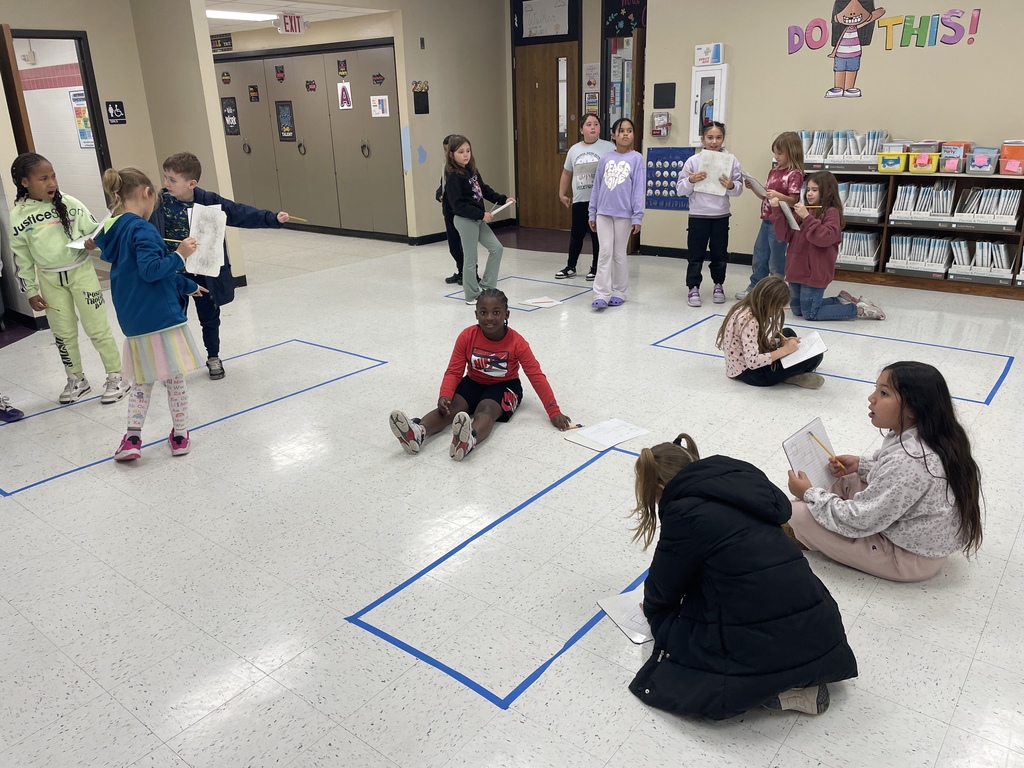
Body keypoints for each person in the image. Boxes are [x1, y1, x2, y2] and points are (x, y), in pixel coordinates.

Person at [628, 433, 858, 719]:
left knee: (677, 629)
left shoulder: (683, 512)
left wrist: (655, 610)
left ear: (660, 486)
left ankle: (788, 689)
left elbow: (665, 584)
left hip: (764, 642)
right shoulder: (741, 483)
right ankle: (800, 671)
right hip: (822, 626)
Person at [786, 361, 983, 582]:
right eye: (876, 389)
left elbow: (861, 519)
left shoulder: (910, 460)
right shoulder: (929, 433)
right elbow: (899, 481)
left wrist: (809, 494)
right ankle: (821, 517)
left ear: (913, 409)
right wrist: (861, 465)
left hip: (908, 558)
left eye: (884, 393)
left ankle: (807, 530)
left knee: (797, 513)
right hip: (914, 536)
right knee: (846, 477)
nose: (871, 398)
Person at [94, 167, 204, 461]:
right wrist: (180, 254)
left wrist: (188, 286)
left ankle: (132, 438)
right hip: (162, 319)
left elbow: (143, 276)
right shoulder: (142, 229)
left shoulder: (114, 230)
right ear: (146, 192)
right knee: (175, 380)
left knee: (142, 382)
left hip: (135, 321)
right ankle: (180, 434)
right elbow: (152, 271)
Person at [149, 152, 289, 380]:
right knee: (172, 320)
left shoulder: (208, 200)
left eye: (172, 179)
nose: (166, 183)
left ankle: (213, 356)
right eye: (165, 177)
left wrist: (272, 218)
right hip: (173, 273)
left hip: (204, 273)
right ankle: (173, 365)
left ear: (191, 183)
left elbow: (239, 213)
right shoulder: (159, 203)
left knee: (210, 318)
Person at [389, 288, 571, 461]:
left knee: (486, 409)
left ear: (507, 314)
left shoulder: (518, 342)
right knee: (450, 408)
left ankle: (469, 439)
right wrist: (445, 394)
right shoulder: (467, 336)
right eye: (484, 312)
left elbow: (536, 376)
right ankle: (418, 432)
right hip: (474, 381)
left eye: (496, 312)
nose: (489, 317)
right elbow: (454, 370)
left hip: (505, 385)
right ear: (476, 314)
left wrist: (553, 411)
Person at [9, 153, 130, 405]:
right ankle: (76, 379)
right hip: (49, 280)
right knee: (63, 333)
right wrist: (31, 290)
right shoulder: (18, 215)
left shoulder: (71, 204)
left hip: (81, 273)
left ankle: (117, 375)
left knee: (97, 328)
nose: (52, 182)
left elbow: (96, 232)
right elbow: (21, 258)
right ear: (25, 182)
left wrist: (94, 242)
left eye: (53, 176)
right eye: (43, 178)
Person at [769, 171, 884, 320]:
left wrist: (807, 217)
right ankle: (839, 301)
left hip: (815, 272)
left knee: (810, 313)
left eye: (814, 190)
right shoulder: (803, 211)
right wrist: (777, 211)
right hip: (796, 269)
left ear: (828, 192)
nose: (809, 194)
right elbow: (783, 236)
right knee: (797, 310)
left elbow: (824, 238)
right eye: (808, 189)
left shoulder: (831, 212)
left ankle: (859, 309)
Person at [675, 122, 743, 307]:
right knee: (695, 254)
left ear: (723, 139)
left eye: (718, 137)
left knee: (719, 254)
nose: (714, 142)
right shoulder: (693, 161)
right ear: (702, 139)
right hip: (698, 215)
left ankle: (718, 285)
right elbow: (680, 190)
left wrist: (731, 185)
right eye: (710, 137)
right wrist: (691, 180)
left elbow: (738, 189)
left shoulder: (731, 160)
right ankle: (693, 287)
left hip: (721, 215)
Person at [716, 276, 825, 389]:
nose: (776, 312)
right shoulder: (749, 321)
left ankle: (786, 373)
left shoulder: (745, 308)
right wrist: (785, 350)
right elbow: (752, 362)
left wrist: (779, 342)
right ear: (766, 302)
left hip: (741, 366)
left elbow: (752, 344)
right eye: (776, 308)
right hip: (751, 374)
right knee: (815, 357)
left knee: (787, 332)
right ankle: (789, 376)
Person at [444, 136, 514, 306]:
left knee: (496, 248)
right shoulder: (453, 178)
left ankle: (487, 286)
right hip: (465, 220)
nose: (465, 154)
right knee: (471, 258)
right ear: (452, 155)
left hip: (477, 219)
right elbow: (457, 206)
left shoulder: (472, 171)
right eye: (461, 152)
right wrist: (481, 214)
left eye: (468, 151)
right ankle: (471, 295)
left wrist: (503, 199)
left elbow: (484, 190)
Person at [738, 131, 805, 299]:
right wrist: (754, 188)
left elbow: (793, 201)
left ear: (791, 152)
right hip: (766, 220)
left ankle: (776, 291)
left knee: (776, 259)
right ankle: (755, 286)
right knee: (760, 254)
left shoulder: (794, 174)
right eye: (775, 153)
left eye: (780, 153)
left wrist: (778, 196)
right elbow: (765, 197)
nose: (776, 156)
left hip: (780, 222)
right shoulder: (773, 171)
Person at [587, 117, 645, 309]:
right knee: (605, 252)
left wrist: (637, 216)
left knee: (619, 254)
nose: (625, 134)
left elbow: (638, 189)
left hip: (624, 215)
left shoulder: (637, 158)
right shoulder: (605, 158)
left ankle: (619, 291)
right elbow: (597, 187)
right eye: (621, 131)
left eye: (629, 130)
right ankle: (601, 293)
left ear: (633, 134)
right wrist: (592, 212)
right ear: (613, 135)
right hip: (603, 213)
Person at [556, 114, 614, 280]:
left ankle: (596, 268)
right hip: (580, 200)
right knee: (576, 234)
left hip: (600, 201)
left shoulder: (609, 148)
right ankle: (571, 266)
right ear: (581, 129)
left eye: (596, 124)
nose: (593, 127)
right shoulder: (574, 150)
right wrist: (562, 194)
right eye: (588, 124)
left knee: (597, 236)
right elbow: (567, 173)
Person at [435, 134, 467, 285]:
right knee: (454, 245)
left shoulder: (462, 170)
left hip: (460, 211)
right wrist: (439, 194)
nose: (447, 153)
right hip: (448, 211)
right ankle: (461, 271)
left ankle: (469, 274)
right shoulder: (446, 167)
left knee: (464, 245)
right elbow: (443, 185)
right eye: (445, 150)